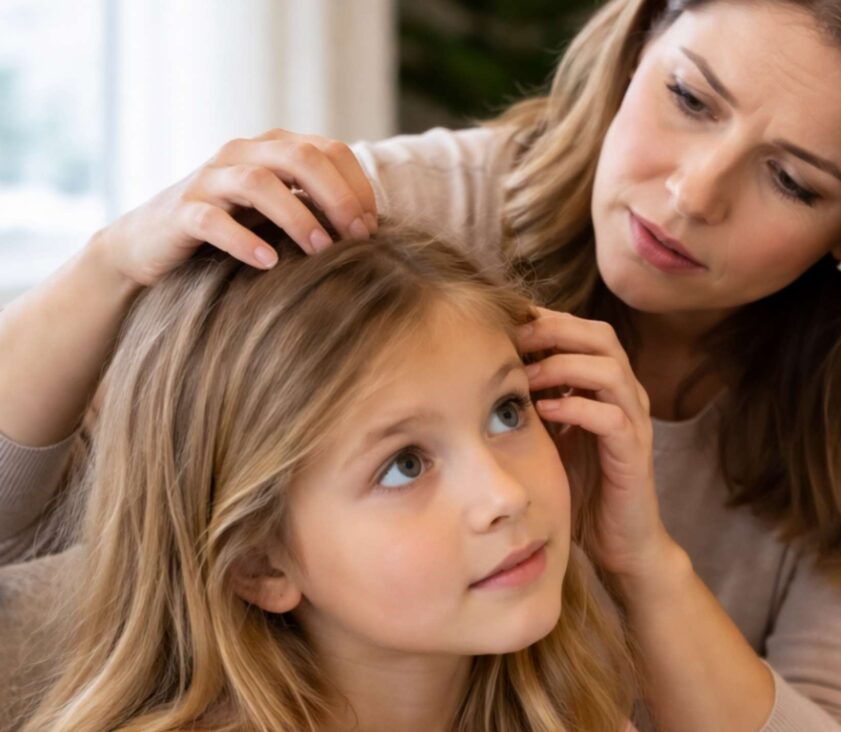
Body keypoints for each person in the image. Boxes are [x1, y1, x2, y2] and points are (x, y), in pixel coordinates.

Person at [1, 0, 841, 729]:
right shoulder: (381, 230)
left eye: (792, 180)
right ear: (638, 39)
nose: (687, 197)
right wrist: (106, 268)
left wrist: (643, 564)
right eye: (688, 98)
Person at [2, 219, 638, 731]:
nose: (505, 494)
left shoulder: (569, 707)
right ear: (261, 565)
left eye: (506, 412)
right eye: (405, 465)